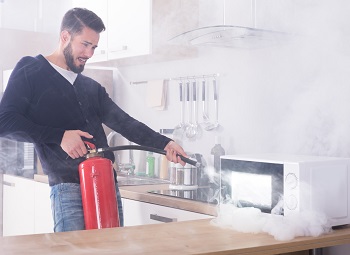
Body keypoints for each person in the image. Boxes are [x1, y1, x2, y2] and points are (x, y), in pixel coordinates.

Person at [0, 8, 188, 232]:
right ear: (65, 37)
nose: (89, 53)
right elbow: (5, 121)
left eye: (94, 47)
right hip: (68, 188)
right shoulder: (31, 69)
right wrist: (59, 136)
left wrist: (165, 144)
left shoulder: (91, 88)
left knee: (111, 250)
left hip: (107, 183)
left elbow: (125, 122)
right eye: (85, 44)